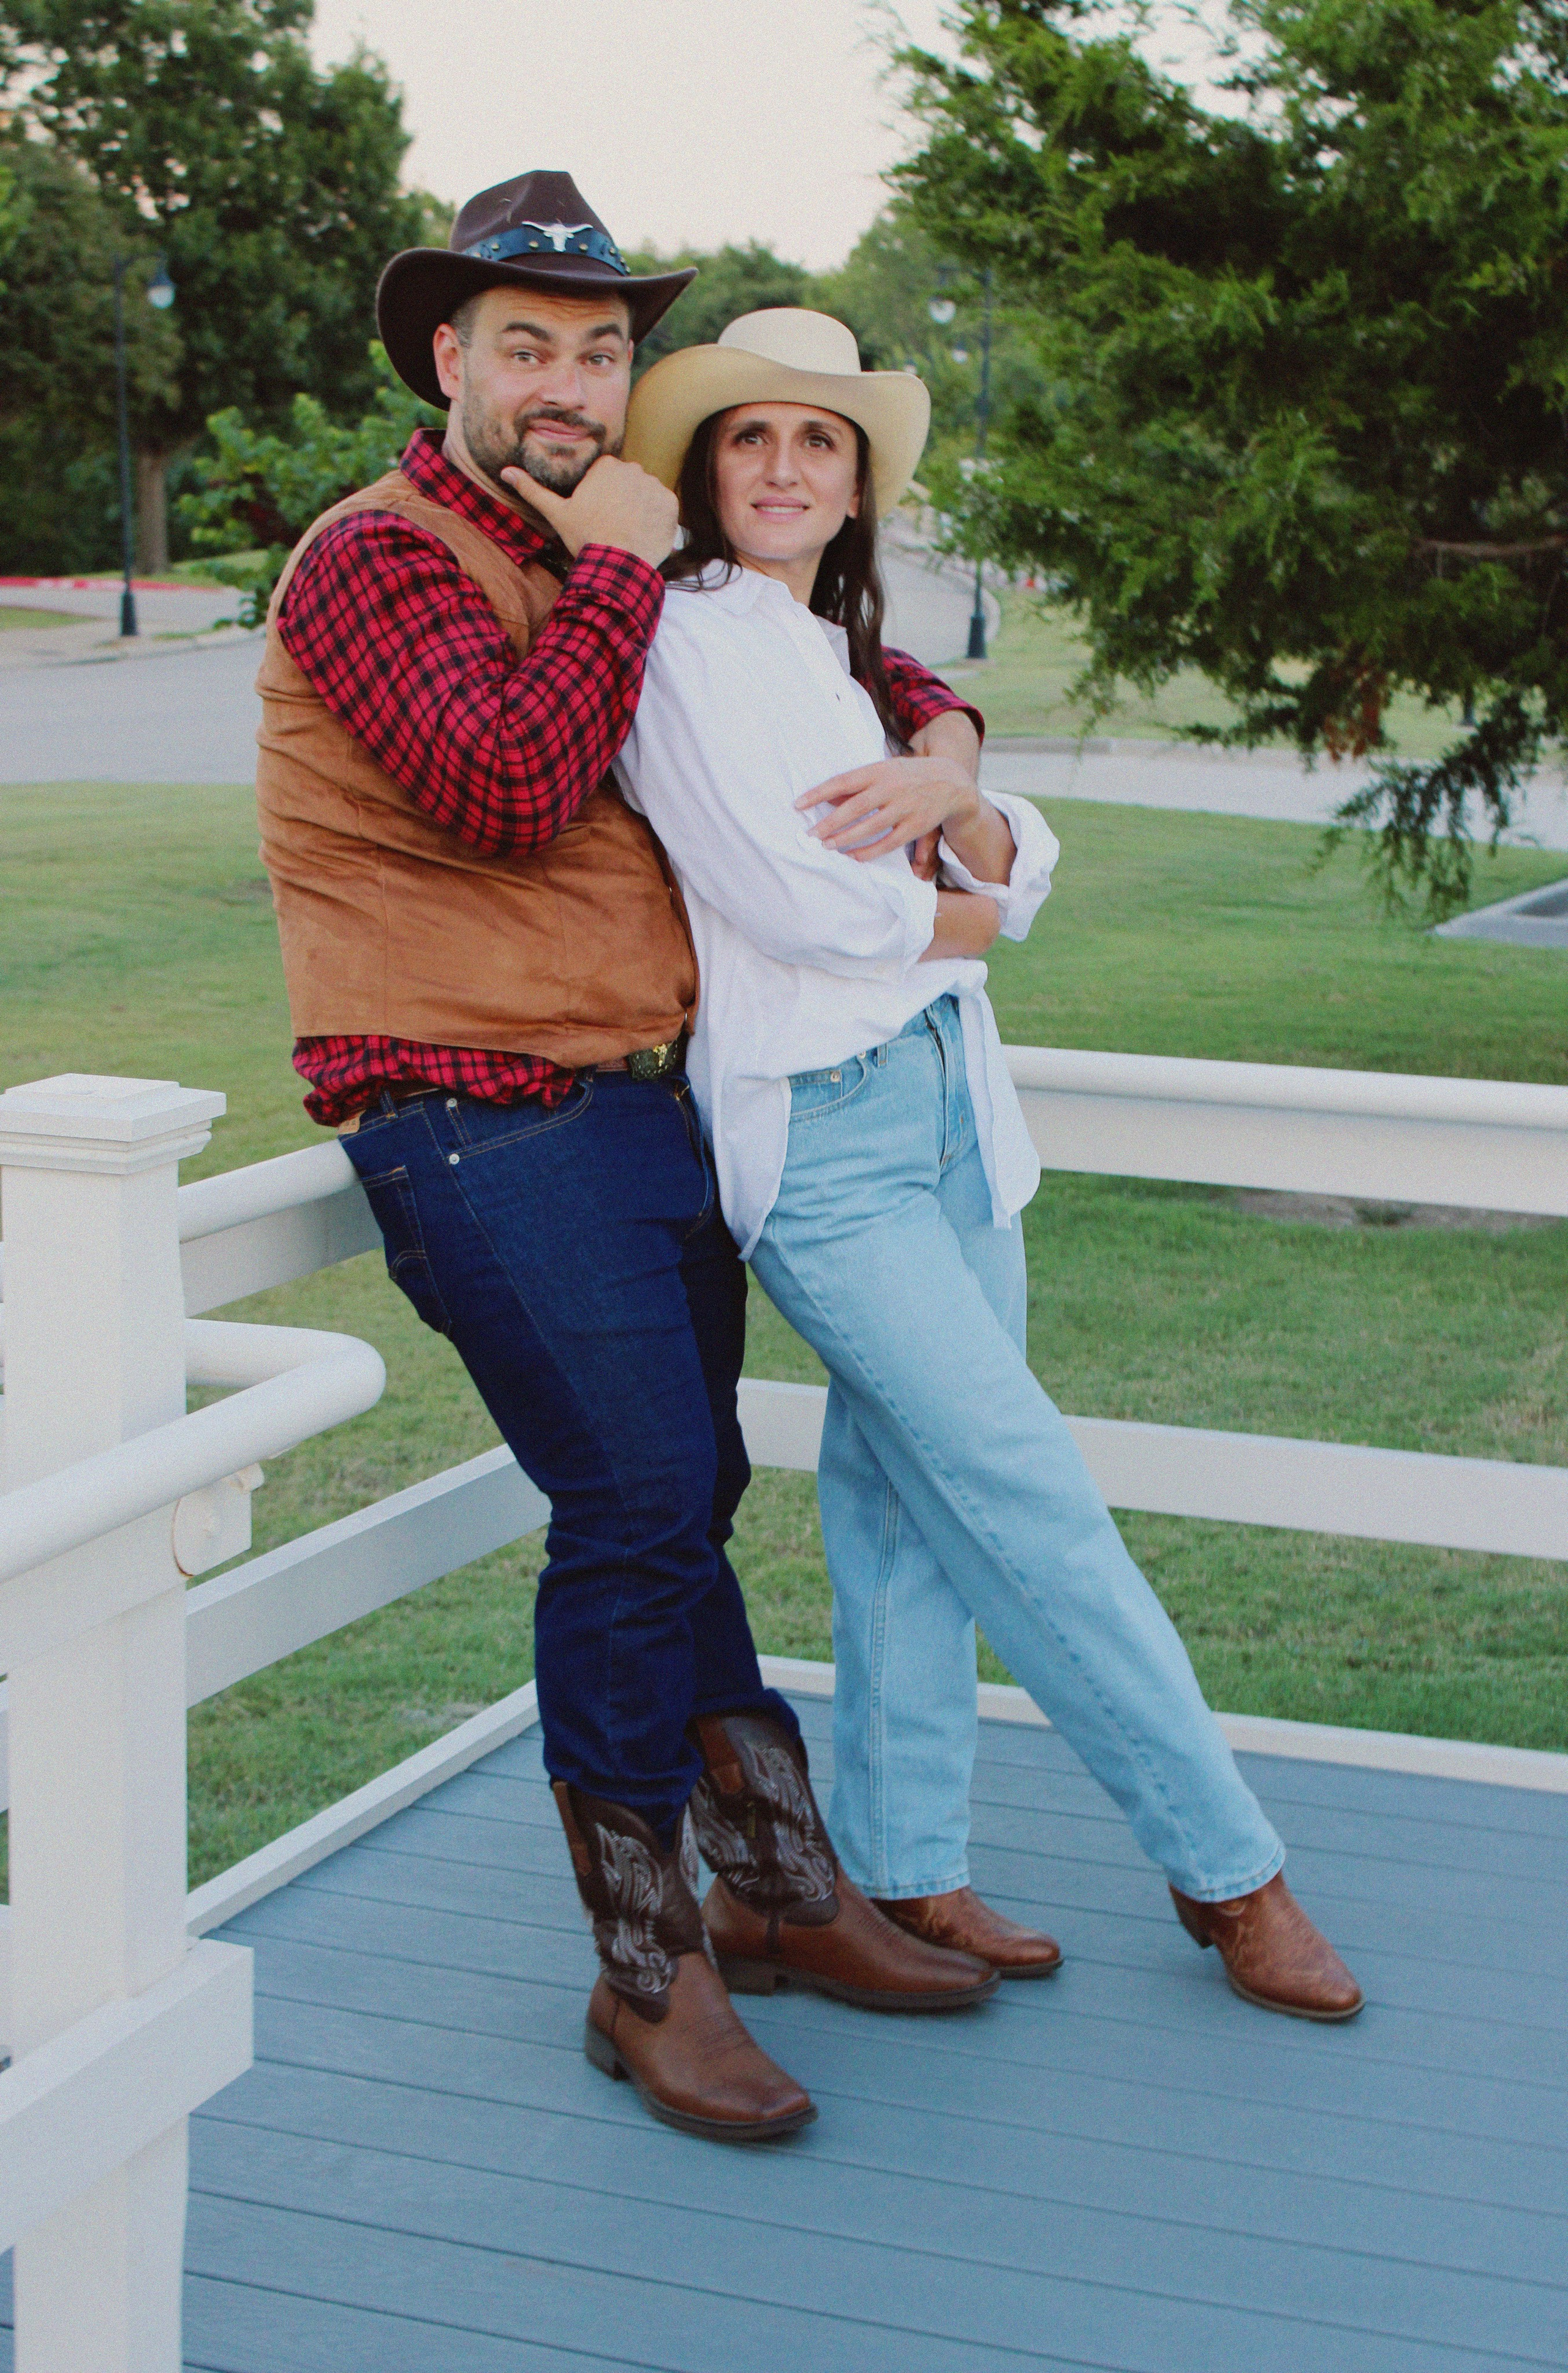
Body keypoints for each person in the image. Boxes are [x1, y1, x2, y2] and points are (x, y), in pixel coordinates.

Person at [254, 174, 1009, 2150]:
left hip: (637, 1099)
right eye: (530, 347)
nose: (571, 383)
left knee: (690, 1496)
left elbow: (839, 656)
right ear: (454, 362)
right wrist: (606, 568)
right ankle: (644, 1962)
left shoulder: (627, 560)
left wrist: (954, 733)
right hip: (470, 1113)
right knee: (642, 1495)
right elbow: (506, 787)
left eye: (601, 352)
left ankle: (778, 1889)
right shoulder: (376, 558)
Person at [615, 307, 1365, 2022]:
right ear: (706, 468)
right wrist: (968, 891)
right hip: (824, 1145)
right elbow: (816, 904)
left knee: (899, 1511)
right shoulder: (680, 645)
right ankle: (1228, 1866)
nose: (787, 467)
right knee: (1033, 1496)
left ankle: (901, 1863)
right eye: (752, 438)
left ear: (857, 478)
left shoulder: (848, 655)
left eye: (821, 441)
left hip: (956, 1110)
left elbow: (1023, 853)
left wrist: (955, 812)